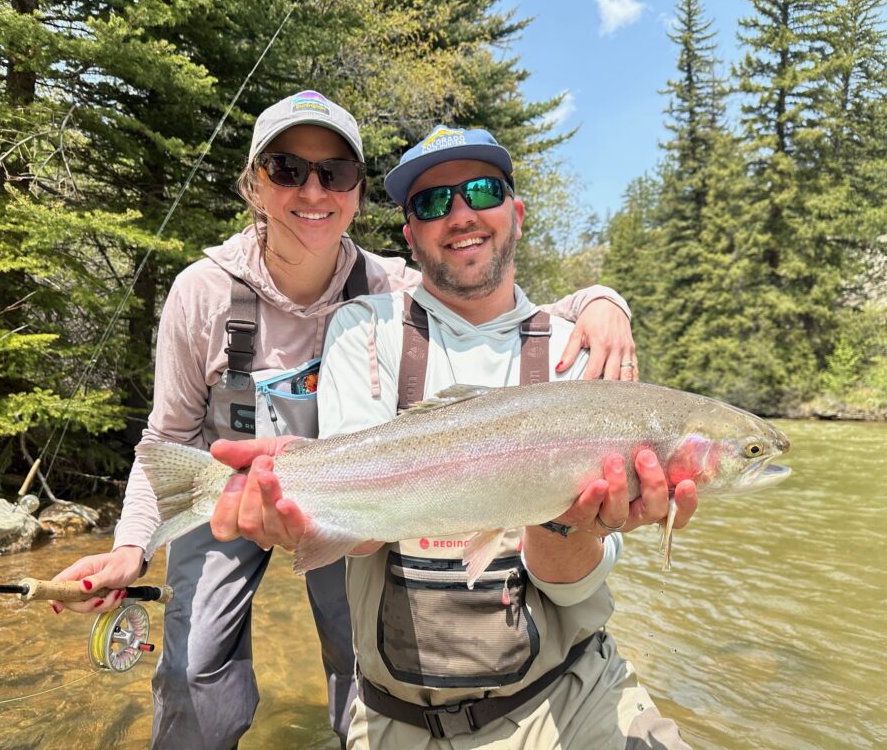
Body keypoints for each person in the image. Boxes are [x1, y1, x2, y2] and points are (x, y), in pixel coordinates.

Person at [48, 92, 642, 750]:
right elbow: (167, 437)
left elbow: (489, 295)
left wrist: (601, 301)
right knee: (194, 663)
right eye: (287, 169)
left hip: (349, 491)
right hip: (230, 494)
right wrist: (131, 550)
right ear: (254, 184)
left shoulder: (386, 286)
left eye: (334, 173)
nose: (313, 191)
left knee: (356, 652)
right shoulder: (203, 292)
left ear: (356, 193)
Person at [210, 125, 700, 749]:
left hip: (571, 700)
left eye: (482, 191)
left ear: (516, 212)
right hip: (400, 721)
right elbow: (361, 536)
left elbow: (575, 587)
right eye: (433, 202)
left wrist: (568, 525)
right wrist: (302, 509)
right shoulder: (364, 330)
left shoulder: (578, 350)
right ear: (410, 236)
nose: (461, 213)